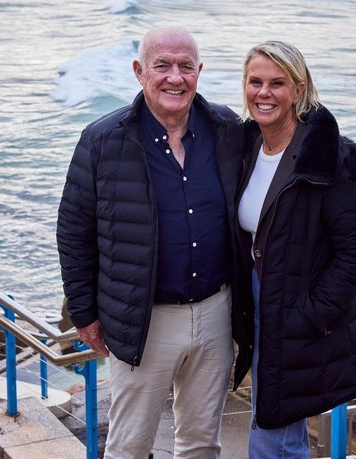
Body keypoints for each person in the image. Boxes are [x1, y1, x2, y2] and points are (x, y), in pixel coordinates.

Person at [57, 26, 244, 459]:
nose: (174, 77)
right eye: (162, 65)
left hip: (216, 313)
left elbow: (278, 154)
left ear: (199, 71)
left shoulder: (227, 128)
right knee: (130, 446)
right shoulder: (102, 140)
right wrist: (84, 314)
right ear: (139, 71)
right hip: (144, 320)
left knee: (202, 444)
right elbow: (74, 230)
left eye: (185, 66)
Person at [233, 41, 356, 458]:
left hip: (296, 311)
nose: (264, 93)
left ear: (298, 89)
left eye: (277, 83)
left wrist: (309, 314)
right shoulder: (245, 145)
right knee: (275, 422)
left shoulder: (326, 159)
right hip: (255, 303)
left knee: (275, 429)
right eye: (255, 81)